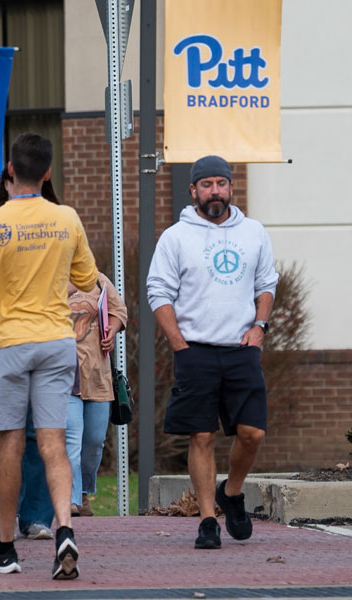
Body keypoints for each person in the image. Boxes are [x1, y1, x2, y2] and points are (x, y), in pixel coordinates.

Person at [0, 133, 98, 578]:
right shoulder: (67, 218)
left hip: (9, 344)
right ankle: (64, 527)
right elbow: (86, 277)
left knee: (9, 442)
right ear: (46, 173)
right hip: (57, 341)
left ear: (8, 171)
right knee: (53, 442)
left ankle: (5, 547)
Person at [146, 155, 278, 550]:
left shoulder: (253, 232)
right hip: (196, 351)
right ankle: (207, 520)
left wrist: (260, 327)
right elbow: (159, 292)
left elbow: (266, 283)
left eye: (221, 183)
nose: (214, 191)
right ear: (194, 191)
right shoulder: (176, 237)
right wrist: (179, 344)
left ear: (231, 188)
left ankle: (231, 493)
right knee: (201, 435)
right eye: (207, 185)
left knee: (252, 434)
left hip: (241, 348)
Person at [0, 167, 56, 541]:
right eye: (12, 181)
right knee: (5, 427)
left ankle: (36, 517)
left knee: (41, 428)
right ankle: (0, 514)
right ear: (4, 184)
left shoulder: (57, 222)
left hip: (44, 336)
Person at [65, 273, 127, 517]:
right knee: (71, 439)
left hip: (98, 376)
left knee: (94, 441)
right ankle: (71, 497)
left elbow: (119, 310)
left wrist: (112, 329)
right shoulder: (50, 275)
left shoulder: (99, 280)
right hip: (65, 375)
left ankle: (83, 491)